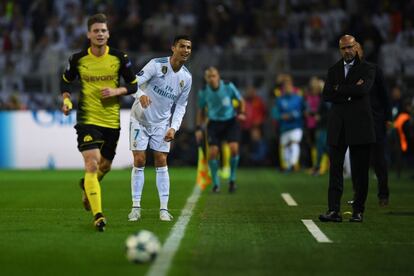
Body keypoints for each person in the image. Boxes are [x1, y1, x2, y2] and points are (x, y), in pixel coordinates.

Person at [60, 14, 138, 231]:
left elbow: (133, 85)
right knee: (92, 163)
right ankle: (98, 216)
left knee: (105, 166)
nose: (100, 34)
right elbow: (64, 82)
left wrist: (116, 90)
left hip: (111, 121)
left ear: (108, 33)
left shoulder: (119, 58)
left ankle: (87, 185)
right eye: (96, 31)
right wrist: (66, 100)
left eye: (103, 30)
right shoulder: (78, 60)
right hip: (87, 119)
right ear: (88, 34)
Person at [128, 35, 192, 222]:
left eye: (189, 47)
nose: (186, 50)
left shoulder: (186, 78)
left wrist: (174, 127)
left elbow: (181, 105)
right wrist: (140, 95)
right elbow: (133, 83)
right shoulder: (156, 65)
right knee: (139, 160)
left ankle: (163, 209)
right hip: (140, 118)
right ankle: (135, 208)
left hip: (162, 124)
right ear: (173, 48)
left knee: (161, 160)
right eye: (182, 46)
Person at [319, 34, 376, 223]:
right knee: (335, 170)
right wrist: (350, 90)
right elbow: (326, 94)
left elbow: (363, 90)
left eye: (350, 47)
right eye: (343, 48)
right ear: (339, 49)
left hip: (360, 126)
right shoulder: (333, 69)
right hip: (338, 126)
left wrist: (339, 89)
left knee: (360, 172)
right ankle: (333, 210)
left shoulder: (368, 68)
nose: (347, 51)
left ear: (356, 46)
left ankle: (358, 211)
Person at [347, 42, 392, 206]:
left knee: (379, 160)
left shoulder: (374, 69)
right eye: (350, 48)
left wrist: (388, 118)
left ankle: (383, 194)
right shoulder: (346, 71)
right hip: (356, 122)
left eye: (355, 48)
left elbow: (385, 95)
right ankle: (358, 196)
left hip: (375, 121)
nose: (352, 51)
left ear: (361, 51)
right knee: (357, 161)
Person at [195, 67, 245, 193]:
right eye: (209, 76)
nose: (212, 78)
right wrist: (198, 128)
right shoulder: (204, 91)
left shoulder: (228, 86)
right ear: (206, 79)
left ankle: (232, 179)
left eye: (214, 76)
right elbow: (200, 111)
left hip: (230, 121)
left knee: (234, 148)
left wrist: (242, 112)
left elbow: (241, 100)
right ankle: (216, 183)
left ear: (218, 76)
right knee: (212, 152)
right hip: (214, 123)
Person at [272, 81, 305, 172]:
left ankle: (294, 164)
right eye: (286, 87)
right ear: (283, 89)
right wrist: (280, 116)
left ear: (292, 88)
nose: (288, 89)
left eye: (289, 87)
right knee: (285, 146)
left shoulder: (298, 98)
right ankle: (286, 165)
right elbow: (275, 113)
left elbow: (303, 111)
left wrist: (293, 115)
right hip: (284, 127)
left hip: (296, 126)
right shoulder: (279, 99)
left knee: (294, 143)